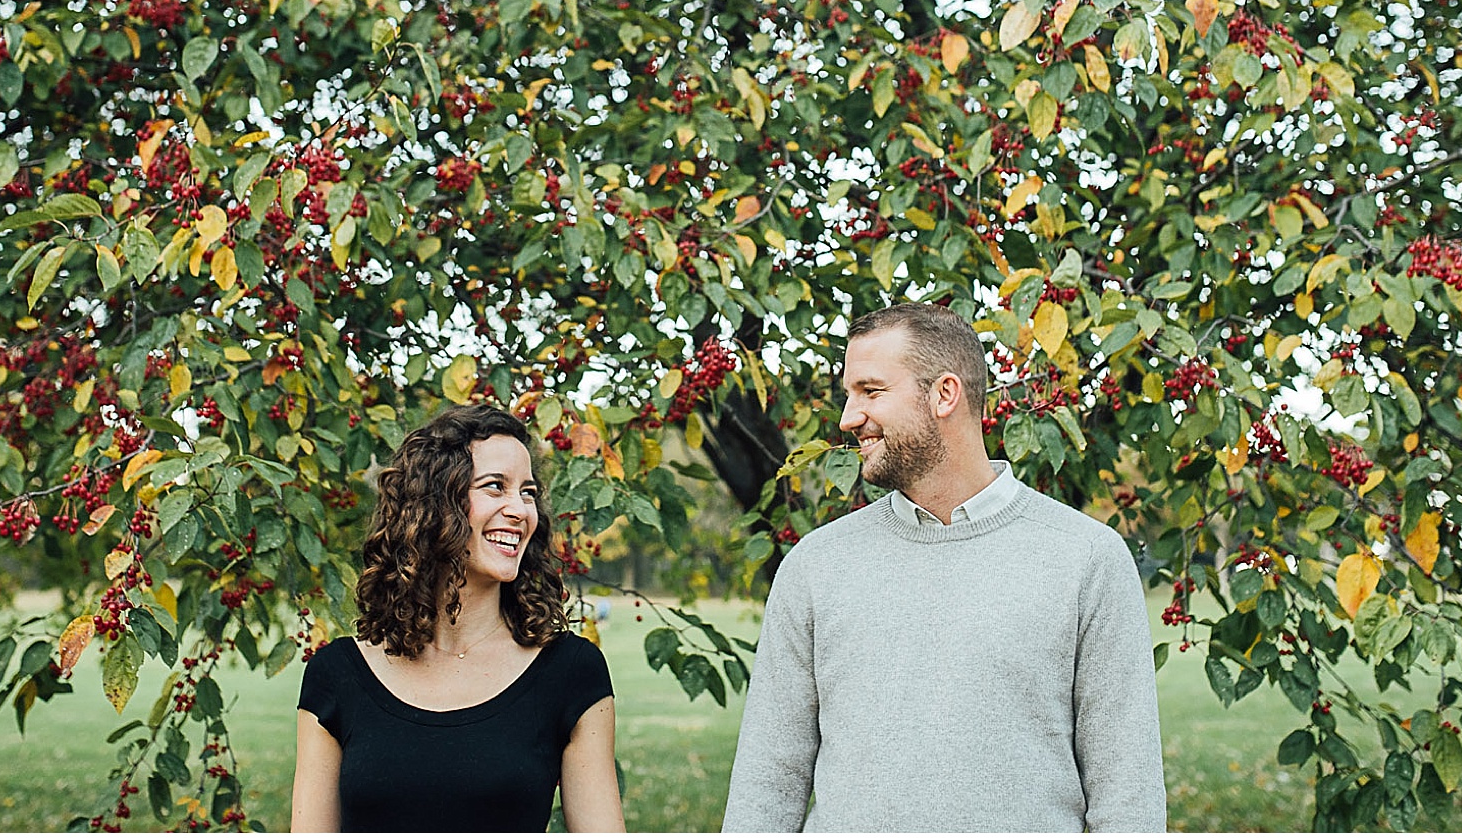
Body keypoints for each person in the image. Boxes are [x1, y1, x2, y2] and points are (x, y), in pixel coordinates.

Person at [721, 301, 1166, 833]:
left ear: (944, 395)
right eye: (849, 394)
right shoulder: (815, 566)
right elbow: (767, 784)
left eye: (871, 391)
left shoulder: (1087, 559)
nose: (848, 418)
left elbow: (1127, 793)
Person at [291, 403, 623, 833]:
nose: (521, 511)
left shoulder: (572, 673)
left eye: (527, 492)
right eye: (495, 487)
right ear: (433, 505)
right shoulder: (335, 677)